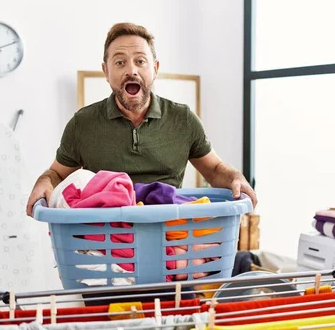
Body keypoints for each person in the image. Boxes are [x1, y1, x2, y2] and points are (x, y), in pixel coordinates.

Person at [26, 22, 256, 216]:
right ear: (106, 72)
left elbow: (214, 170)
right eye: (119, 62)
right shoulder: (82, 124)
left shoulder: (183, 119)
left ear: (155, 69)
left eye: (140, 61)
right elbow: (56, 174)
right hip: (106, 238)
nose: (131, 70)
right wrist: (44, 182)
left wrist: (235, 177)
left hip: (169, 233)